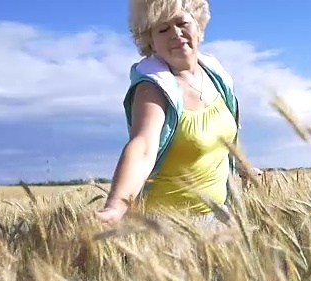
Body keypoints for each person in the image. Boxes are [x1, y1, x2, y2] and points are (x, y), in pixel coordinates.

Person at [94, 0, 245, 226]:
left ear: (198, 25)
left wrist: (244, 169)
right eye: (163, 29)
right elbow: (142, 148)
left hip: (220, 218)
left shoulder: (217, 77)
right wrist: (115, 207)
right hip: (165, 229)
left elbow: (226, 138)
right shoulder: (153, 88)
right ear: (150, 41)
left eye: (182, 23)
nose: (175, 33)